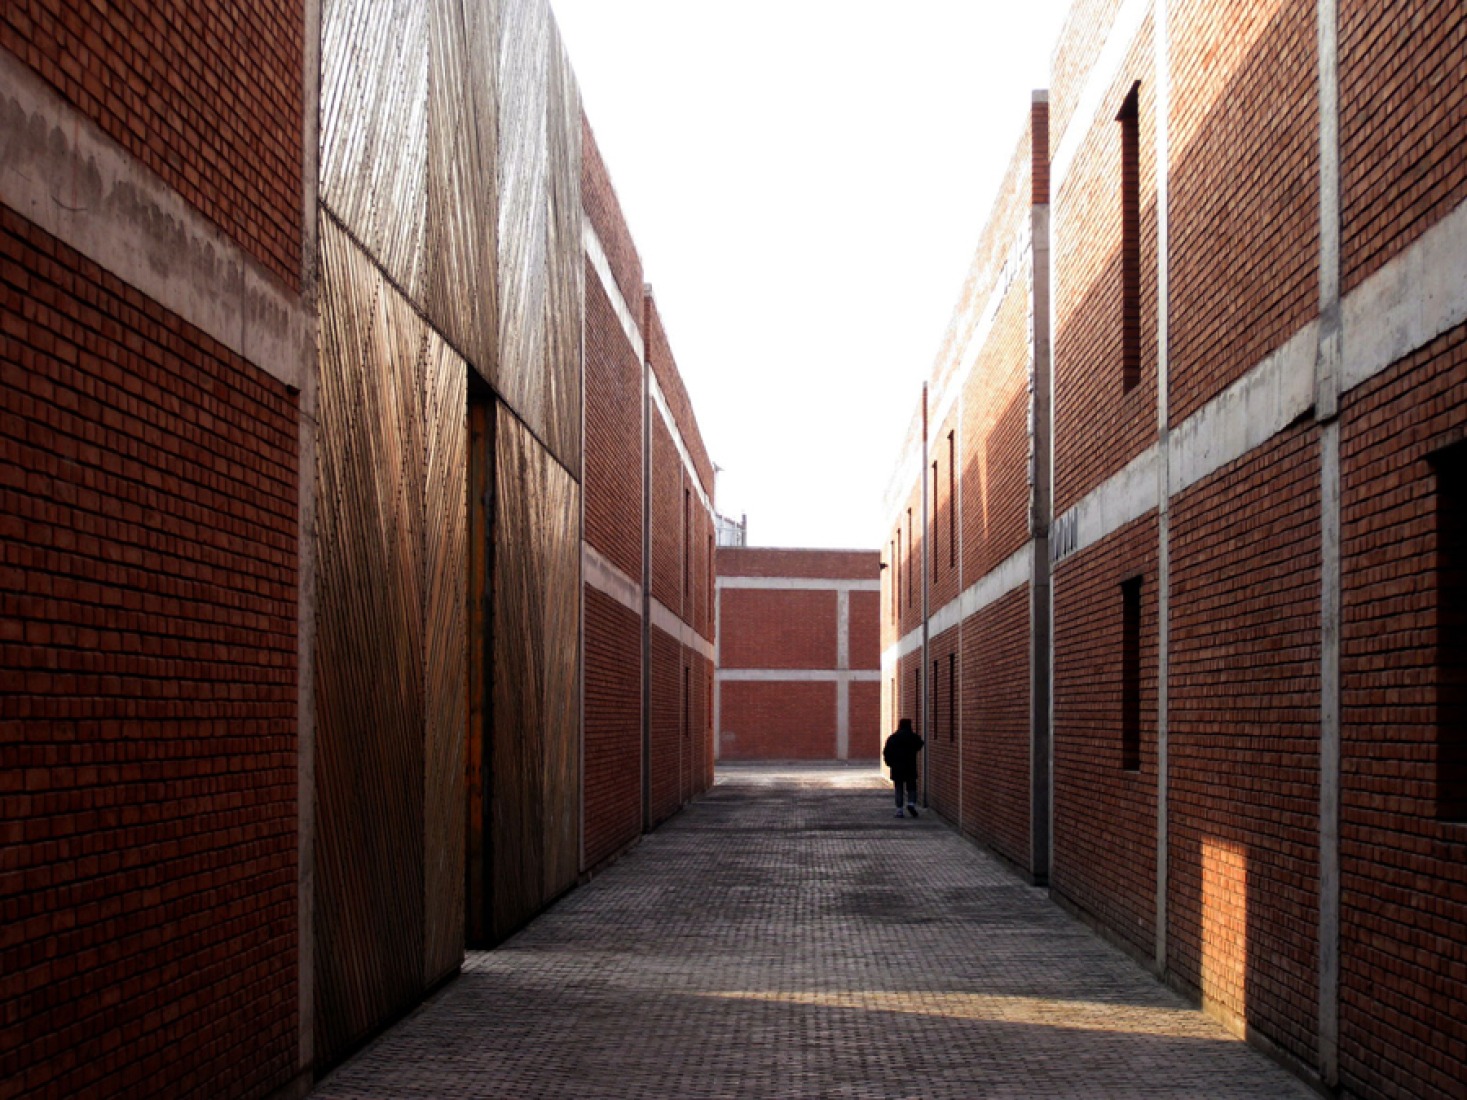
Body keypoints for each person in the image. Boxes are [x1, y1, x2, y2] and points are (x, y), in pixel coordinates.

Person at [882, 717, 924, 818]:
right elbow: (920, 744)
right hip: (910, 765)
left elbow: (886, 752)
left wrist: (889, 763)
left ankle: (899, 810)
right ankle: (911, 803)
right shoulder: (913, 737)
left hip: (897, 767)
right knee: (911, 786)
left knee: (899, 788)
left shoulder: (893, 738)